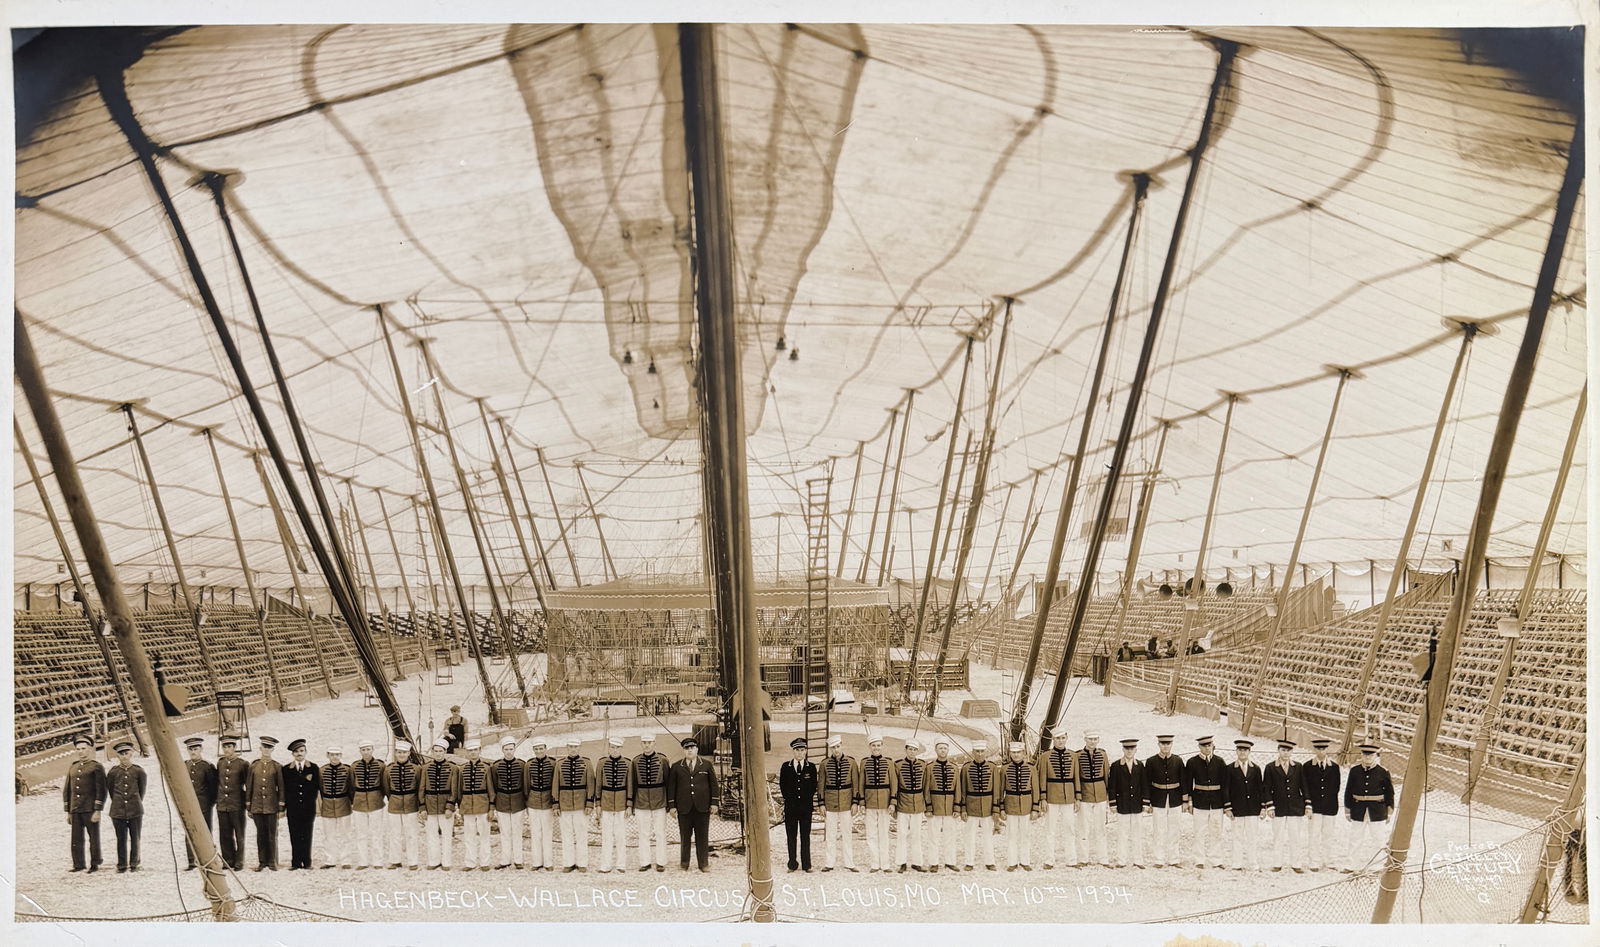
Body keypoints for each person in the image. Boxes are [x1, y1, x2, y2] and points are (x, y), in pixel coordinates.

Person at [666, 737, 717, 872]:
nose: (689, 750)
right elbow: (671, 788)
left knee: (702, 836)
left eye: (692, 748)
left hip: (702, 807)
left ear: (697, 749)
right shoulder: (677, 766)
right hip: (684, 808)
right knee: (685, 837)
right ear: (683, 750)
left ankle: (703, 863)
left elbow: (714, 785)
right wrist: (672, 806)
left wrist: (714, 803)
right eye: (686, 748)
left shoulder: (706, 765)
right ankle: (684, 863)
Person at [1343, 743, 1394, 872]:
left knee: (1378, 839)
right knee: (1355, 838)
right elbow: (1348, 790)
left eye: (1370, 755)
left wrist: (1389, 811)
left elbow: (1390, 793)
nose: (1367, 758)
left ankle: (1377, 866)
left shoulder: (1383, 772)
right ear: (1361, 755)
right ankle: (1351, 865)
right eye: (1365, 755)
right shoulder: (1354, 771)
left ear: (1376, 756)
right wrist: (1348, 810)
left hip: (1377, 810)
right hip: (1358, 809)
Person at [1264, 740, 1309, 872]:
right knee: (1278, 836)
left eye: (1288, 750)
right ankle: (1277, 863)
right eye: (1283, 750)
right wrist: (1270, 806)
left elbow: (1304, 786)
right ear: (1278, 750)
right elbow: (1266, 788)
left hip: (1295, 807)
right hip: (1278, 807)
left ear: (1292, 752)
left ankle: (1296, 864)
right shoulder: (1270, 767)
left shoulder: (1298, 767)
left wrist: (1307, 804)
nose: (1286, 753)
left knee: (1295, 836)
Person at [64, 735, 107, 873]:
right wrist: (69, 811)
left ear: (89, 749)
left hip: (89, 809)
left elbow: (101, 790)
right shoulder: (73, 767)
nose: (81, 751)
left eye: (83, 748)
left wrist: (98, 810)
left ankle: (95, 863)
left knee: (93, 837)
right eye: (78, 749)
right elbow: (67, 789)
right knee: (76, 838)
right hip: (76, 809)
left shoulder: (96, 767)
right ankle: (78, 864)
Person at [1037, 729, 1079, 869]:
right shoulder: (1045, 756)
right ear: (1053, 740)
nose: (1060, 741)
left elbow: (1076, 778)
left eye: (1063, 738)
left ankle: (1071, 859)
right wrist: (1043, 798)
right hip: (1051, 797)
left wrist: (1077, 797)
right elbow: (1042, 778)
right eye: (1057, 738)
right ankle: (1049, 860)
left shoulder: (1073, 756)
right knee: (1050, 830)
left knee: (1070, 828)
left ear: (1066, 738)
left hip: (1069, 797)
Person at [817, 734, 859, 872]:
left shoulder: (851, 762)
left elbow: (855, 784)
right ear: (830, 749)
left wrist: (854, 802)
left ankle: (849, 862)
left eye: (838, 746)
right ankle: (829, 863)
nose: (836, 750)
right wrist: (821, 803)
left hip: (846, 803)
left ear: (842, 745)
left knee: (847, 833)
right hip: (830, 803)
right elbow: (821, 785)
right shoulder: (824, 764)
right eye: (833, 747)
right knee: (830, 834)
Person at [1145, 734, 1188, 866]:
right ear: (1158, 744)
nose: (1165, 746)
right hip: (1158, 799)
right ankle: (1159, 859)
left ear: (1171, 744)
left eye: (1168, 744)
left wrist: (1185, 801)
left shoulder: (1178, 760)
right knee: (1159, 830)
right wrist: (1148, 802)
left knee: (1174, 829)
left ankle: (1174, 859)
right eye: (1163, 744)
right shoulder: (1151, 761)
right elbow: (1147, 783)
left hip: (1175, 799)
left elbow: (1184, 781)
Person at [1300, 737, 1343, 871]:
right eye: (1318, 749)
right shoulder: (1307, 766)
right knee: (1314, 834)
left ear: (1326, 749)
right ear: (1314, 749)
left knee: (1328, 835)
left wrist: (1330, 801)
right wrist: (1308, 804)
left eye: (1323, 749)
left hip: (1329, 806)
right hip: (1315, 806)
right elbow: (1304, 786)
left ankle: (1328, 860)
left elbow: (1336, 786)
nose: (1321, 751)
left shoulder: (1334, 767)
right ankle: (1314, 861)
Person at [1224, 739, 1266, 871]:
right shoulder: (1230, 768)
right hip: (1237, 809)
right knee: (1237, 836)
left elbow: (1261, 789)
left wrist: (1262, 807)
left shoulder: (1256, 768)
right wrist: (1228, 807)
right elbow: (1226, 789)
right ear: (1236, 751)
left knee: (1252, 837)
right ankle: (1236, 863)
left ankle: (1252, 863)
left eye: (1245, 750)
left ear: (1249, 752)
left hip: (1253, 809)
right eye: (1240, 750)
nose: (1242, 753)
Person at [1186, 735, 1228, 869]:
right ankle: (1199, 860)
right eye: (1204, 746)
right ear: (1199, 747)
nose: (1207, 748)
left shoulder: (1220, 761)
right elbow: (1188, 784)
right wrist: (1190, 802)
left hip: (1216, 802)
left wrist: (1226, 804)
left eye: (1209, 745)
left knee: (1216, 831)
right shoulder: (1192, 762)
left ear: (1212, 746)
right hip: (1200, 802)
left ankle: (1216, 860)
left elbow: (1225, 784)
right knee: (1199, 832)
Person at [631, 733, 670, 872]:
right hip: (642, 802)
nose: (647, 745)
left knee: (660, 832)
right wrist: (633, 804)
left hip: (659, 801)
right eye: (644, 743)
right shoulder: (635, 761)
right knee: (643, 833)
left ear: (654, 743)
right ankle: (645, 862)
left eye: (649, 742)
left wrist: (669, 803)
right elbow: (634, 783)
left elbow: (668, 782)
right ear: (641, 744)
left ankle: (661, 861)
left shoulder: (662, 760)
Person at [1106, 738, 1148, 868]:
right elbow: (1112, 786)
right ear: (1123, 749)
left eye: (1132, 749)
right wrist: (1113, 803)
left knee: (1137, 833)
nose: (1129, 751)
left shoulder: (1140, 765)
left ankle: (1138, 860)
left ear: (1136, 750)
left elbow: (1144, 785)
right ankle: (1121, 860)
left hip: (1136, 805)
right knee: (1122, 833)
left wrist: (1145, 802)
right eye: (1127, 749)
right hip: (1122, 805)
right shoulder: (1116, 766)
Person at [960, 740, 1001, 871]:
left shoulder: (992, 768)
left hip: (988, 807)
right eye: (977, 751)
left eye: (982, 751)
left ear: (986, 752)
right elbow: (963, 790)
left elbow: (996, 790)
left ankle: (990, 862)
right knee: (969, 835)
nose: (979, 754)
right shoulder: (966, 768)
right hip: (971, 807)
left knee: (988, 835)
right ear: (973, 752)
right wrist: (963, 808)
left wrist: (995, 809)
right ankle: (969, 862)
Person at [999, 741, 1041, 870]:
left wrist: (1035, 808)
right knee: (1011, 835)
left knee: (1025, 835)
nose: (1016, 755)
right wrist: (1001, 808)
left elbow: (1035, 789)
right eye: (1013, 753)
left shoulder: (1031, 768)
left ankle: (1025, 861)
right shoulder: (1005, 769)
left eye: (1018, 752)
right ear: (1010, 754)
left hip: (1026, 806)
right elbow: (1000, 790)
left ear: (1023, 753)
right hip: (1010, 806)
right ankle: (1012, 862)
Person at [246, 735, 286, 871]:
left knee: (271, 834)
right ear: (260, 748)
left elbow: (281, 787)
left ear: (273, 749)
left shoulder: (277, 767)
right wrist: (249, 805)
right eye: (264, 747)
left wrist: (281, 807)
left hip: (271, 806)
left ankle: (272, 862)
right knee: (260, 834)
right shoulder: (254, 766)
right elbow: (249, 786)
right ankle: (262, 862)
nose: (266, 750)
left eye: (269, 747)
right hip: (257, 806)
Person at [779, 737, 819, 872]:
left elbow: (813, 786)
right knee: (791, 836)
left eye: (802, 750)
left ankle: (807, 864)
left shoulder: (811, 767)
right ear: (793, 751)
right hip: (791, 808)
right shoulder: (786, 767)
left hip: (805, 808)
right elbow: (783, 787)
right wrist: (791, 800)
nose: (800, 753)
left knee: (805, 836)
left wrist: (804, 801)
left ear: (806, 751)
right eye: (797, 750)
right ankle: (792, 863)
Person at [107, 740, 146, 872]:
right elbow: (111, 790)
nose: (124, 756)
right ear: (117, 756)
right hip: (118, 810)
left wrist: (134, 802)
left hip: (135, 809)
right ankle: (122, 864)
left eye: (126, 753)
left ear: (131, 754)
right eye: (121, 754)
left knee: (135, 837)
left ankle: (134, 863)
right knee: (121, 838)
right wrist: (119, 802)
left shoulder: (138, 771)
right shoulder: (113, 772)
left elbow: (141, 791)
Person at [555, 738, 593, 872]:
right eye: (570, 746)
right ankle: (568, 863)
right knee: (566, 835)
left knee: (581, 834)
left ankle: (582, 863)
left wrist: (589, 803)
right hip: (564, 805)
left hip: (581, 805)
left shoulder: (586, 763)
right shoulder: (560, 764)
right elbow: (556, 785)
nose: (573, 749)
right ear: (567, 747)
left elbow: (590, 785)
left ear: (579, 748)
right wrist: (556, 805)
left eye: (575, 746)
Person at [383, 739, 423, 869]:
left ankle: (413, 861)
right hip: (394, 804)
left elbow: (419, 787)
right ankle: (395, 860)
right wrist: (394, 798)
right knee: (395, 833)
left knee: (411, 833)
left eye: (404, 752)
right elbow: (386, 788)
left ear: (408, 754)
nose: (401, 755)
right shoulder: (389, 769)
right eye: (399, 752)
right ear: (395, 753)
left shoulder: (416, 769)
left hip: (411, 804)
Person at [923, 740, 962, 872]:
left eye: (945, 748)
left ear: (948, 750)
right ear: (936, 750)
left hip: (950, 807)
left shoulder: (954, 767)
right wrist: (928, 807)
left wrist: (957, 807)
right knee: (933, 837)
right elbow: (926, 788)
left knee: (950, 836)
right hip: (935, 807)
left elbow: (958, 789)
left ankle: (950, 861)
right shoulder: (929, 767)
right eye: (940, 748)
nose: (943, 750)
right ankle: (933, 863)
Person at [858, 735, 895, 872]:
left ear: (882, 746)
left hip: (885, 803)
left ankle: (885, 864)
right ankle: (875, 863)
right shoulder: (864, 762)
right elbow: (861, 783)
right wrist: (862, 801)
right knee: (871, 834)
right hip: (870, 802)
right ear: (869, 747)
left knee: (884, 833)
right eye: (873, 745)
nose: (876, 748)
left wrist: (892, 801)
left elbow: (893, 783)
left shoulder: (889, 762)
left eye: (878, 745)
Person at [422, 738, 460, 870]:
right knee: (431, 835)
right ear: (432, 752)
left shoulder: (453, 768)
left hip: (446, 807)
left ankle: (446, 862)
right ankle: (434, 861)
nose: (438, 754)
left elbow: (454, 789)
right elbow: (422, 789)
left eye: (440, 751)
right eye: (436, 751)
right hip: (430, 806)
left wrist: (450, 806)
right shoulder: (425, 768)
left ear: (445, 752)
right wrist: (422, 807)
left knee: (447, 835)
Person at [490, 737, 527, 869]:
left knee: (517, 831)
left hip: (518, 802)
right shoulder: (496, 766)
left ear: (515, 749)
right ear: (502, 750)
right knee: (505, 832)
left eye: (511, 749)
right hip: (502, 802)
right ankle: (505, 860)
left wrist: (525, 802)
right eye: (506, 749)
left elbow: (525, 784)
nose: (509, 752)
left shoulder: (522, 765)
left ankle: (518, 860)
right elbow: (494, 784)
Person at [181, 735, 217, 871]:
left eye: (195, 749)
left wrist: (208, 804)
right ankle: (192, 861)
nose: (193, 752)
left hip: (204, 805)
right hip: (188, 806)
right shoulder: (184, 765)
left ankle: (207, 860)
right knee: (189, 832)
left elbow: (213, 788)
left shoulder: (207, 767)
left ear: (201, 749)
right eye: (190, 749)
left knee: (205, 832)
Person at [283, 738, 320, 870]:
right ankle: (296, 862)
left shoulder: (313, 768)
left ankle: (307, 862)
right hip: (293, 808)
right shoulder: (286, 769)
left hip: (308, 808)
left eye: (301, 751)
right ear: (292, 754)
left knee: (307, 833)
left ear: (306, 752)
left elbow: (317, 788)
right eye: (296, 751)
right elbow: (285, 789)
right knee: (294, 834)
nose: (299, 754)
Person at [350, 738, 387, 868]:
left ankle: (377, 861)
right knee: (361, 834)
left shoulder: (380, 765)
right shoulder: (354, 766)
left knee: (376, 833)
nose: (366, 752)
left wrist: (379, 797)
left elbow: (384, 784)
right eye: (363, 750)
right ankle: (363, 861)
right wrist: (354, 800)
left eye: (368, 749)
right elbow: (351, 786)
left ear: (373, 750)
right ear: (360, 751)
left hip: (376, 801)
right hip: (359, 803)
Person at [595, 737, 631, 873]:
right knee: (606, 836)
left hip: (621, 804)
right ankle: (605, 864)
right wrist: (598, 804)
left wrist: (629, 805)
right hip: (606, 804)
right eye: (612, 747)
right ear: (609, 748)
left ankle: (621, 864)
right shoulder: (602, 763)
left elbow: (630, 785)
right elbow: (598, 784)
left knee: (621, 836)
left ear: (621, 749)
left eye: (617, 747)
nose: (615, 750)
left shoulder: (627, 763)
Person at [1076, 730, 1110, 866]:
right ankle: (1083, 858)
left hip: (1100, 794)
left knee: (1100, 828)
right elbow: (1076, 776)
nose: (1092, 742)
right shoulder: (1078, 755)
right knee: (1083, 828)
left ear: (1098, 740)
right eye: (1090, 739)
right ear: (1085, 739)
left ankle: (1103, 858)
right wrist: (1077, 796)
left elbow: (1106, 774)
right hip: (1085, 795)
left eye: (1095, 739)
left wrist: (1107, 794)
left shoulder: (1102, 754)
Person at [214, 734, 249, 871]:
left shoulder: (242, 764)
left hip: (237, 804)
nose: (227, 749)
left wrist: (246, 803)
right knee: (225, 834)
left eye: (229, 746)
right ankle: (228, 860)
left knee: (239, 833)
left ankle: (239, 861)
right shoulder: (221, 763)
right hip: (223, 804)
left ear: (235, 747)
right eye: (225, 747)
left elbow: (247, 784)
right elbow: (218, 782)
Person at [458, 739, 494, 870]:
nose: (473, 753)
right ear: (467, 753)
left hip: (483, 806)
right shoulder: (462, 769)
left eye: (475, 750)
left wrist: (491, 808)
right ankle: (470, 862)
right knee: (469, 836)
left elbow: (491, 789)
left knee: (484, 835)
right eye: (470, 751)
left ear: (479, 751)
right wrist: (461, 808)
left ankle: (485, 862)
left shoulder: (486, 768)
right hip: (467, 806)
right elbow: (459, 790)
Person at [893, 740, 927, 872]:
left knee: (916, 834)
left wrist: (924, 804)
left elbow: (925, 786)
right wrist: (895, 805)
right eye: (910, 749)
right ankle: (901, 862)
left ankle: (917, 862)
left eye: (914, 750)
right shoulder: (898, 765)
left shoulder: (923, 765)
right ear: (905, 750)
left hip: (917, 804)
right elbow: (895, 786)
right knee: (902, 834)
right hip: (903, 803)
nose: (912, 752)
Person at [318, 745, 354, 869]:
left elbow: (351, 787)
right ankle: (330, 860)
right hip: (327, 804)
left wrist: (351, 802)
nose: (335, 757)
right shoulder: (322, 770)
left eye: (337, 755)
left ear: (341, 756)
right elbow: (321, 788)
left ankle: (346, 860)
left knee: (346, 834)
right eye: (332, 755)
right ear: (328, 756)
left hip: (343, 803)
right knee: (329, 835)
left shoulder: (347, 770)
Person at [525, 739, 557, 870]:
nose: (539, 751)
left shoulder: (553, 763)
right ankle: (537, 862)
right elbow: (526, 784)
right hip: (533, 801)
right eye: (536, 749)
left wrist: (555, 802)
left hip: (548, 801)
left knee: (547, 833)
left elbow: (555, 784)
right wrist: (527, 801)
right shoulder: (529, 764)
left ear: (545, 748)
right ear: (533, 750)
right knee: (535, 832)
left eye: (541, 748)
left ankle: (548, 863)